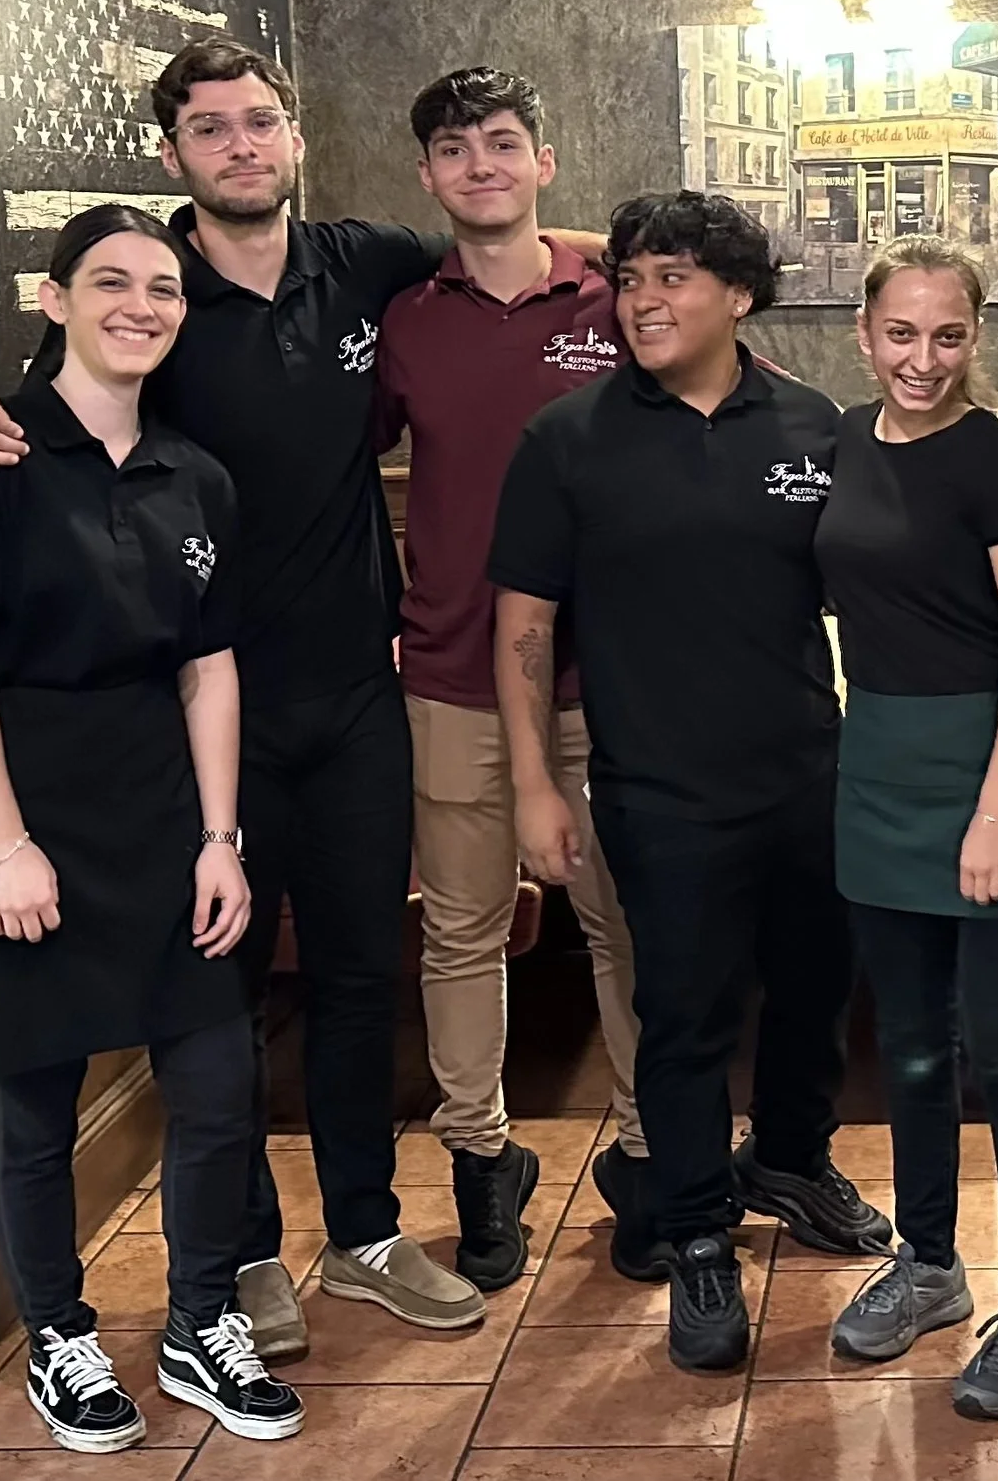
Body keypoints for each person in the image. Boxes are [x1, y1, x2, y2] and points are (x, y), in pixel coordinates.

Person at [0, 38, 571, 1355]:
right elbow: (28, 402)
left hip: (356, 700)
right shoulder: (145, 294)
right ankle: (250, 1256)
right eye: (211, 130)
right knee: (221, 998)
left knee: (360, 972)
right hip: (201, 728)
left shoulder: (365, 263)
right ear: (174, 156)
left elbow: (504, 229)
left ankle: (369, 1234)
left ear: (296, 137)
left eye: (261, 122)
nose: (242, 145)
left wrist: (623, 254)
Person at [0, 204, 302, 1451]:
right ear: (56, 298)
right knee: (34, 1104)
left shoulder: (199, 476)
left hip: (165, 819)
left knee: (217, 1083)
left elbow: (212, 667)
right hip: (25, 817)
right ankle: (59, 1337)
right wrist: (3, 845)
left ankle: (197, 1322)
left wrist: (221, 837)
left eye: (165, 290)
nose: (142, 306)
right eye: (113, 283)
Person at [487, 190, 891, 1374]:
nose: (644, 300)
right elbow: (522, 623)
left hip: (810, 775)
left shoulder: (813, 425)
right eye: (631, 279)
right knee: (680, 1019)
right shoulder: (568, 438)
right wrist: (534, 787)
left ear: (739, 297)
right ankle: (697, 1230)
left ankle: (793, 1162)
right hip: (658, 790)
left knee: (816, 993)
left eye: (671, 278)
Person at [373, 67, 646, 1291]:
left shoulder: (615, 289)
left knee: (626, 934)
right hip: (450, 672)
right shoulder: (402, 319)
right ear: (428, 178)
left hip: (613, 678)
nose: (479, 164)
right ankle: (483, 1163)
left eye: (502, 143)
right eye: (454, 150)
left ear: (543, 161)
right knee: (463, 934)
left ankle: (647, 1157)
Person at [812, 236, 998, 1420]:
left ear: (978, 337)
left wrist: (996, 807)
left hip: (986, 778)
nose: (923, 358)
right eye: (901, 334)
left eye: (949, 334)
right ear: (864, 338)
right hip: (875, 770)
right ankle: (927, 1265)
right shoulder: (833, 449)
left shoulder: (996, 460)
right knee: (909, 1049)